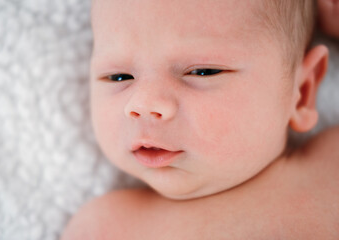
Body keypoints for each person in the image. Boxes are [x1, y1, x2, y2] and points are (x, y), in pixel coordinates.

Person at [61, 0, 339, 238]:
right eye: (119, 77)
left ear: (302, 91)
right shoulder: (103, 228)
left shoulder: (330, 171)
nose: (142, 105)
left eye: (203, 72)